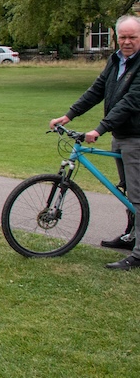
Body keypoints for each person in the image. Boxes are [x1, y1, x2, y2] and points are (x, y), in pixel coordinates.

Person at [49, 14, 140, 269]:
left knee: (138, 194)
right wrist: (68, 116)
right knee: (126, 189)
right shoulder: (115, 61)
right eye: (123, 37)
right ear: (117, 37)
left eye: (132, 37)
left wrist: (100, 129)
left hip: (137, 137)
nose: (127, 42)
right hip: (121, 136)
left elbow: (130, 102)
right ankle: (131, 237)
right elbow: (96, 90)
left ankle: (139, 253)